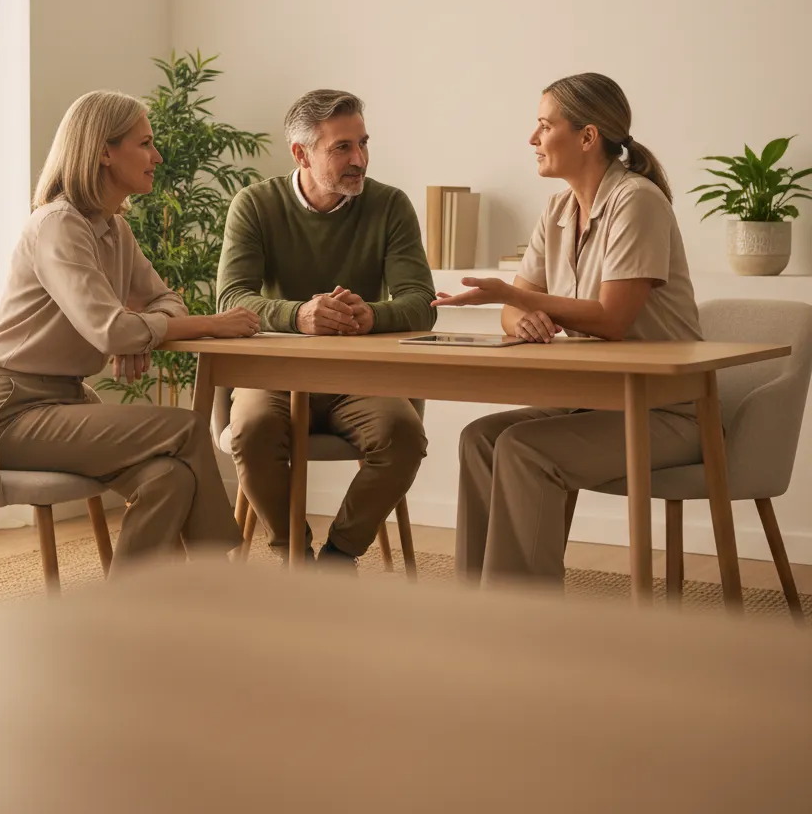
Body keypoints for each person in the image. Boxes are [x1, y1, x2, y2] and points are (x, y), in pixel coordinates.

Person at [0, 90, 259, 569]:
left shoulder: (114, 230)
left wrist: (136, 332)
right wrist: (210, 324)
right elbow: (113, 331)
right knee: (188, 428)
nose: (157, 156)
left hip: (64, 402)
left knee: (169, 478)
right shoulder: (58, 224)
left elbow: (163, 302)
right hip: (11, 410)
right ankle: (218, 585)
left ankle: (128, 604)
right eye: (145, 143)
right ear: (105, 151)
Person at [435, 73, 703, 586]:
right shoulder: (558, 208)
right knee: (480, 439)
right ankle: (479, 608)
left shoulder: (637, 201)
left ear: (587, 136)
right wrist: (523, 314)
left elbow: (612, 318)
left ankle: (525, 616)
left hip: (664, 411)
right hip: (593, 399)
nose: (532, 139)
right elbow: (511, 311)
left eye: (544, 125)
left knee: (525, 450)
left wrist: (517, 297)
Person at [216, 89, 435, 568]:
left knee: (403, 437)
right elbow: (230, 299)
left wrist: (371, 315)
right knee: (250, 431)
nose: (360, 159)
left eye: (363, 143)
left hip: (357, 377)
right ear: (301, 154)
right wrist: (299, 316)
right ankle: (293, 552)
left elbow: (422, 303)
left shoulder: (390, 205)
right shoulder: (255, 205)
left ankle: (338, 556)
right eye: (342, 147)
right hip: (274, 376)